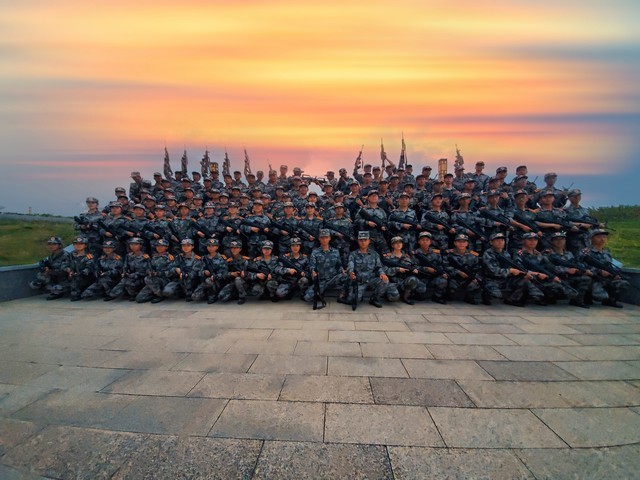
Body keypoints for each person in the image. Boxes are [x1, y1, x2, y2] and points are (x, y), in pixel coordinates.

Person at [579, 230, 630, 308]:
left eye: (604, 237)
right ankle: (587, 297)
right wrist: (599, 271)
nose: (602, 239)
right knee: (600, 296)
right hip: (593, 278)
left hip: (606, 279)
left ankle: (610, 300)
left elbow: (609, 266)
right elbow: (581, 266)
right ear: (591, 238)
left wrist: (614, 275)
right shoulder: (586, 252)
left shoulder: (607, 253)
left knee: (624, 284)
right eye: (599, 237)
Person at [481, 232, 531, 307]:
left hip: (505, 279)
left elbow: (512, 266)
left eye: (502, 240)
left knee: (523, 280)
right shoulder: (488, 253)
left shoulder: (506, 254)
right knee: (496, 294)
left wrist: (521, 273)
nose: (500, 242)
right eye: (497, 240)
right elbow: (492, 270)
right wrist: (509, 271)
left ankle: (512, 299)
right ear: (491, 242)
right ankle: (486, 295)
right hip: (491, 279)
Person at [545, 231, 592, 308]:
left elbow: (574, 264)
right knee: (556, 288)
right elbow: (548, 267)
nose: (559, 241)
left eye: (562, 239)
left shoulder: (569, 253)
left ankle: (577, 300)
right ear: (552, 241)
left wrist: (581, 270)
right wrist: (566, 270)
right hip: (555, 278)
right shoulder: (547, 253)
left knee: (586, 278)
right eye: (556, 239)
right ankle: (551, 297)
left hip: (569, 277)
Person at [345, 231, 389, 308]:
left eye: (365, 240)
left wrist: (382, 273)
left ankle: (374, 299)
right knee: (354, 300)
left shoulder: (374, 254)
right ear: (358, 241)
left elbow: (379, 267)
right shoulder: (353, 254)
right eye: (361, 240)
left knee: (385, 280)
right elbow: (350, 264)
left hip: (371, 280)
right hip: (359, 281)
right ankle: (359, 295)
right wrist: (351, 272)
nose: (363, 242)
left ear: (369, 241)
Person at [305, 229, 347, 306]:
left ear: (329, 238)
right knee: (308, 297)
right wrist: (313, 272)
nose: (324, 240)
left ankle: (342, 295)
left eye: (326, 237)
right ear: (319, 239)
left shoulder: (335, 251)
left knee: (347, 276)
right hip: (321, 280)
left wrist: (342, 270)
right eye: (322, 238)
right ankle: (320, 293)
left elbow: (339, 265)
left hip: (333, 278)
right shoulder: (315, 252)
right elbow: (312, 265)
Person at [443, 234, 483, 304]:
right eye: (459, 241)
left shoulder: (473, 255)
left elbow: (477, 268)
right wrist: (458, 272)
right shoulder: (448, 253)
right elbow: (446, 266)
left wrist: (475, 277)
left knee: (477, 282)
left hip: (467, 278)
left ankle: (469, 297)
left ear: (467, 243)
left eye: (464, 242)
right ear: (455, 243)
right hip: (454, 277)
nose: (461, 244)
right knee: (445, 281)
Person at [411, 231, 448, 303]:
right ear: (419, 242)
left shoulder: (436, 253)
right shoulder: (415, 253)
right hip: (420, 277)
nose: (425, 242)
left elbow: (440, 264)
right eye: (422, 240)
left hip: (433, 277)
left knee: (443, 280)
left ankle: (437, 296)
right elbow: (412, 266)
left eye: (427, 240)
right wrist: (426, 269)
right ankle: (417, 294)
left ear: (430, 242)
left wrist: (440, 272)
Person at [383, 237, 419, 304]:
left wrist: (413, 270)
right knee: (393, 298)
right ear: (392, 245)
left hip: (403, 281)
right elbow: (384, 270)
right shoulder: (387, 257)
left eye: (400, 243)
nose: (398, 244)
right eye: (396, 243)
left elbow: (412, 267)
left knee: (413, 279)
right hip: (392, 282)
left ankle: (406, 296)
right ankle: (388, 293)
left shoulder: (407, 257)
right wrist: (397, 269)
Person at [136, 239, 174, 304]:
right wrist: (149, 271)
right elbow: (149, 267)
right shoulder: (154, 257)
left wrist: (158, 273)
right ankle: (155, 293)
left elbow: (171, 272)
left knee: (147, 278)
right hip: (153, 280)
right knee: (139, 298)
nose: (159, 248)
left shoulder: (170, 258)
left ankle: (160, 295)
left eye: (162, 246)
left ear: (166, 247)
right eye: (158, 246)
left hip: (164, 280)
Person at [192, 238, 228, 304]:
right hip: (205, 281)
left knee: (222, 295)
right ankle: (207, 293)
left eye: (213, 246)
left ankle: (212, 296)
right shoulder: (204, 258)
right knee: (195, 296)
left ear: (217, 247)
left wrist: (216, 276)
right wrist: (203, 272)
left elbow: (224, 272)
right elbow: (196, 270)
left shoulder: (221, 258)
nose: (211, 248)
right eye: (209, 246)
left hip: (218, 281)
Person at [67, 236, 95, 301]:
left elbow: (89, 268)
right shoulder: (71, 255)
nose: (78, 245)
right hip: (72, 275)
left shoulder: (89, 256)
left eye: (81, 244)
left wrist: (79, 273)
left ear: (85, 245)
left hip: (86, 277)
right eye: (76, 244)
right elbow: (66, 264)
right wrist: (68, 270)